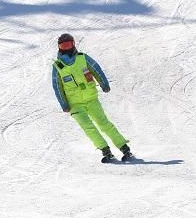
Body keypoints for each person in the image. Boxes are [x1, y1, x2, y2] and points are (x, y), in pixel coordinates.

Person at [52, 34, 135, 163]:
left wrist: (104, 84)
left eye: (68, 45)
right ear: (59, 47)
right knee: (88, 127)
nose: (66, 48)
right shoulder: (58, 66)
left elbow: (96, 69)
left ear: (73, 44)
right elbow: (57, 86)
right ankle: (105, 150)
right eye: (63, 46)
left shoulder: (82, 58)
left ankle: (124, 148)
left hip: (91, 99)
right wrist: (64, 104)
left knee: (104, 123)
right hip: (74, 104)